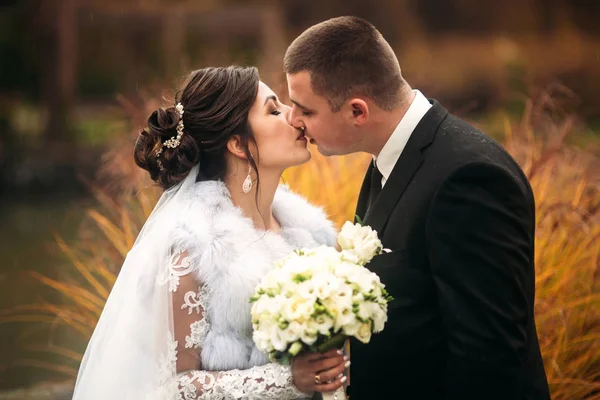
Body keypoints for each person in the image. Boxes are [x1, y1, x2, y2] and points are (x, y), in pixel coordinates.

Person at [284, 16, 550, 400]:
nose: (295, 121)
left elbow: (486, 360)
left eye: (305, 110)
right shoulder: (389, 157)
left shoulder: (469, 180)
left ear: (358, 111)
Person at [72, 66, 348, 399]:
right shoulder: (195, 254)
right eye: (274, 110)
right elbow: (173, 387)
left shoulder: (308, 232)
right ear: (238, 143)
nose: (294, 117)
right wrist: (288, 380)